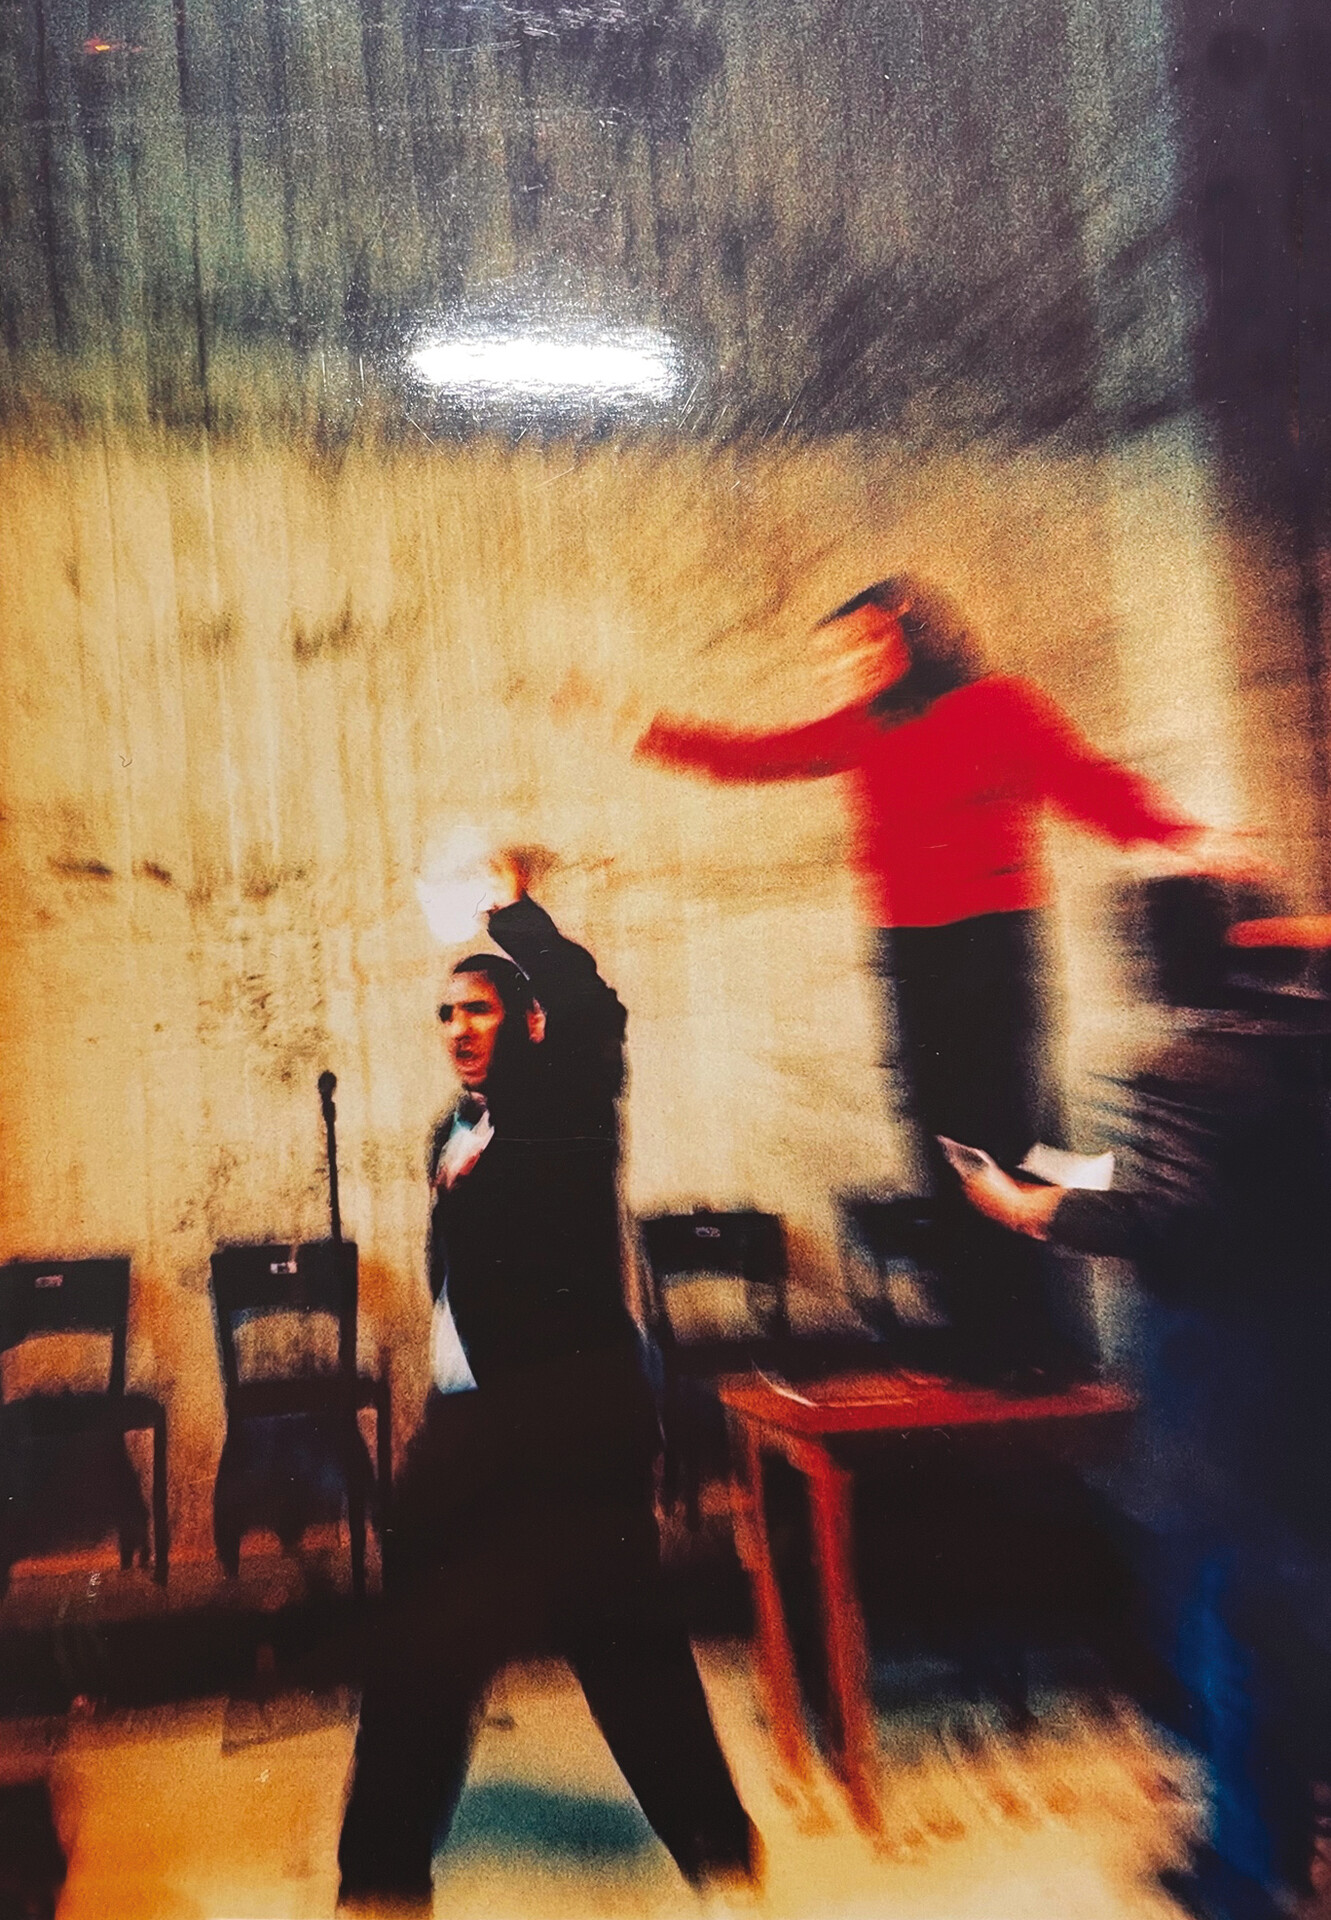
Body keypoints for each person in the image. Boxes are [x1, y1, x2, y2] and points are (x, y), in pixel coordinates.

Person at [636, 575, 1231, 1385]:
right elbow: (759, 756)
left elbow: (1080, 780)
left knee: (1005, 1129)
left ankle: (1032, 1338)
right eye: (831, 658)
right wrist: (650, 731)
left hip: (989, 942)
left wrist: (1178, 834)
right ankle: (974, 1329)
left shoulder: (997, 706)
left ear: (907, 634)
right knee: (936, 1140)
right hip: (908, 952)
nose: (843, 668)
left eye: (857, 645)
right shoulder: (864, 728)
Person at [336, 856, 758, 1915]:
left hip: (572, 1427)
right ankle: (380, 1882)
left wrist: (509, 910)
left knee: (627, 1648)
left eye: (478, 1009)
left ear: (524, 1021)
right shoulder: (449, 1133)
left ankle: (720, 1857)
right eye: (446, 1013)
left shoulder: (567, 1103)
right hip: (470, 1433)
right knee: (416, 1653)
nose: (458, 1028)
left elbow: (591, 1009)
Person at [960, 877, 1331, 1920]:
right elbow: (1193, 1187)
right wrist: (1064, 1179)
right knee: (1282, 1622)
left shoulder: (1187, 1068)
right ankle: (1277, 1841)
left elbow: (1168, 1225)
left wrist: (1027, 1209)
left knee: (1223, 1635)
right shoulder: (1298, 1047)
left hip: (1228, 1394)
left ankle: (1243, 1877)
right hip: (1303, 1380)